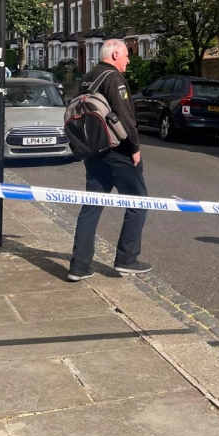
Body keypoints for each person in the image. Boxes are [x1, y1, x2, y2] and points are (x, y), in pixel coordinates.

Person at [68, 38, 151, 281]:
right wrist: (134, 148)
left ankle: (79, 266)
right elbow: (126, 117)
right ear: (115, 54)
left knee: (91, 207)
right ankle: (127, 259)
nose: (128, 61)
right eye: (126, 55)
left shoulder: (88, 77)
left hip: (93, 152)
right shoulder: (114, 78)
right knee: (138, 204)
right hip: (118, 153)